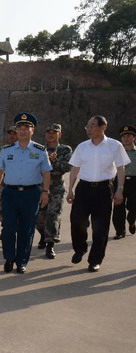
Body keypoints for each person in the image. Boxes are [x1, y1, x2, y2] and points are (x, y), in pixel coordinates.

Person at [67, 116, 131, 272]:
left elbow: (121, 169)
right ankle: (80, 248)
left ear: (103, 127)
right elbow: (74, 169)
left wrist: (120, 190)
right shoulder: (82, 147)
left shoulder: (114, 145)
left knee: (100, 227)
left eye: (93, 126)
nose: (89, 129)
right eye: (87, 126)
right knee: (77, 221)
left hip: (104, 189)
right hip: (83, 189)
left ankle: (95, 260)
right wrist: (70, 189)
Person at [0, 113, 51, 274]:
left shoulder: (40, 150)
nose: (23, 131)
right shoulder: (6, 150)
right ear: (16, 131)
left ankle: (22, 261)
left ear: (33, 130)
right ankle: (9, 258)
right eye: (20, 128)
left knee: (27, 229)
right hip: (10, 194)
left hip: (31, 194)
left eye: (27, 128)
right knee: (8, 227)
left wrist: (45, 191)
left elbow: (46, 172)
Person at [36, 124, 73, 258]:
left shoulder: (65, 149)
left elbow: (67, 167)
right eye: (48, 132)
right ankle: (43, 235)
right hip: (40, 187)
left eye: (54, 132)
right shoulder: (39, 149)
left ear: (60, 134)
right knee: (39, 218)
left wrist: (54, 160)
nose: (51, 134)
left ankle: (50, 245)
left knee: (53, 215)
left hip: (56, 187)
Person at [0, 126, 18, 223]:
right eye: (10, 134)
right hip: (3, 186)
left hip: (19, 186)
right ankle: (6, 229)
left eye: (14, 133)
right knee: (1, 210)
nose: (12, 136)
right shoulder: (2, 150)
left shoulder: (25, 149)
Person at [112, 126, 136, 239]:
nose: (126, 139)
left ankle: (132, 220)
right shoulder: (116, 153)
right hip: (119, 181)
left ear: (134, 138)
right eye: (123, 137)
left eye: (129, 136)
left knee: (133, 207)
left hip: (134, 182)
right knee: (118, 207)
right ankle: (120, 231)